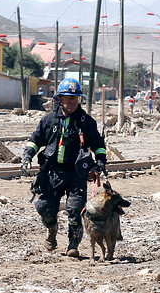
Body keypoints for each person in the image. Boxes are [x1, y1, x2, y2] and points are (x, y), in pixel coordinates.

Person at [21, 78, 107, 258]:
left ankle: (72, 245)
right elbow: (35, 140)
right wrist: (27, 155)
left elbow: (98, 145)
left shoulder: (86, 122)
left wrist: (100, 162)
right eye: (68, 98)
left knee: (76, 210)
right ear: (59, 99)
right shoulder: (48, 121)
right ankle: (51, 229)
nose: (72, 102)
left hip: (77, 174)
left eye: (75, 98)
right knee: (45, 208)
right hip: (53, 173)